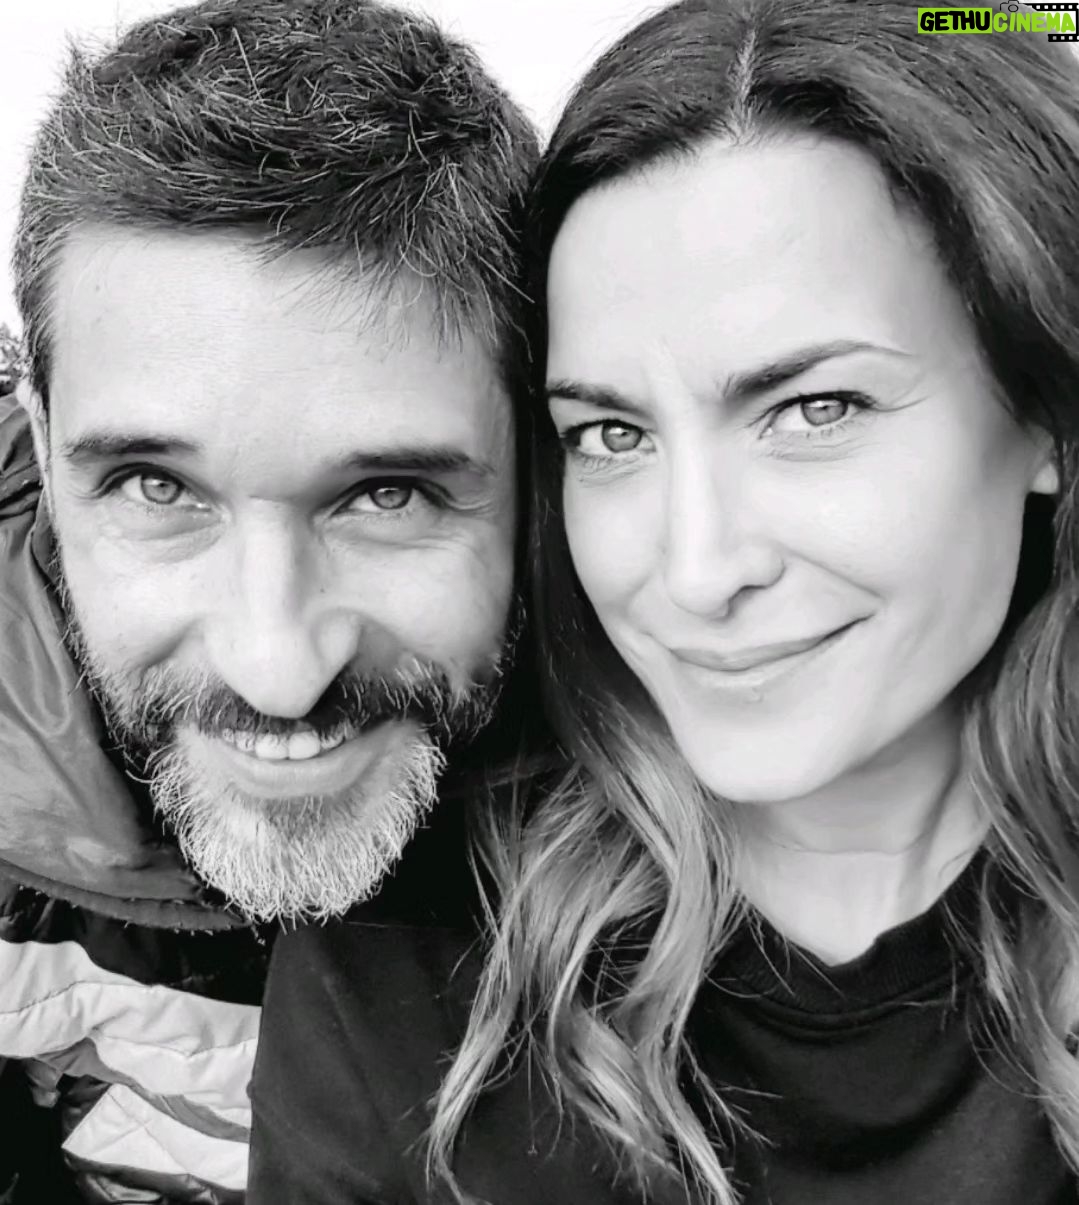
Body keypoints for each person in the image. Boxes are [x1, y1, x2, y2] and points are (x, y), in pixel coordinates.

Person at [248, 1, 1079, 1202]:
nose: (695, 568)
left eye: (814, 410)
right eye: (610, 434)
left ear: (1041, 409)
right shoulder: (405, 958)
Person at [0, 0, 537, 1200]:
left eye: (387, 494)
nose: (277, 668)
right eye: (155, 486)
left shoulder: (698, 763)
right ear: (41, 431)